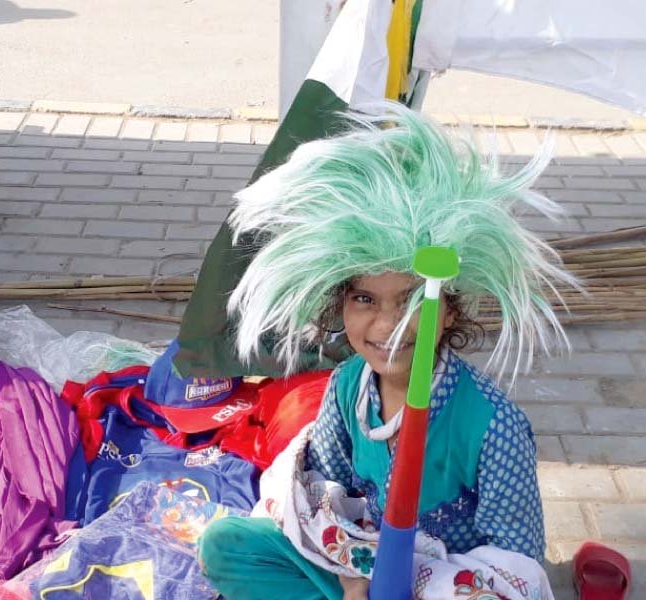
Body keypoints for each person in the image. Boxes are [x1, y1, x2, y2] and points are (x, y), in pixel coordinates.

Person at [197, 104, 576, 600]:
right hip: (362, 568)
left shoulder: (494, 425)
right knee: (227, 546)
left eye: (414, 300)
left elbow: (517, 559)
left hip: (453, 583)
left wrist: (423, 584)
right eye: (365, 299)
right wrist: (353, 576)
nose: (388, 327)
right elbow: (325, 499)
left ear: (453, 311)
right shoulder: (345, 388)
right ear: (341, 305)